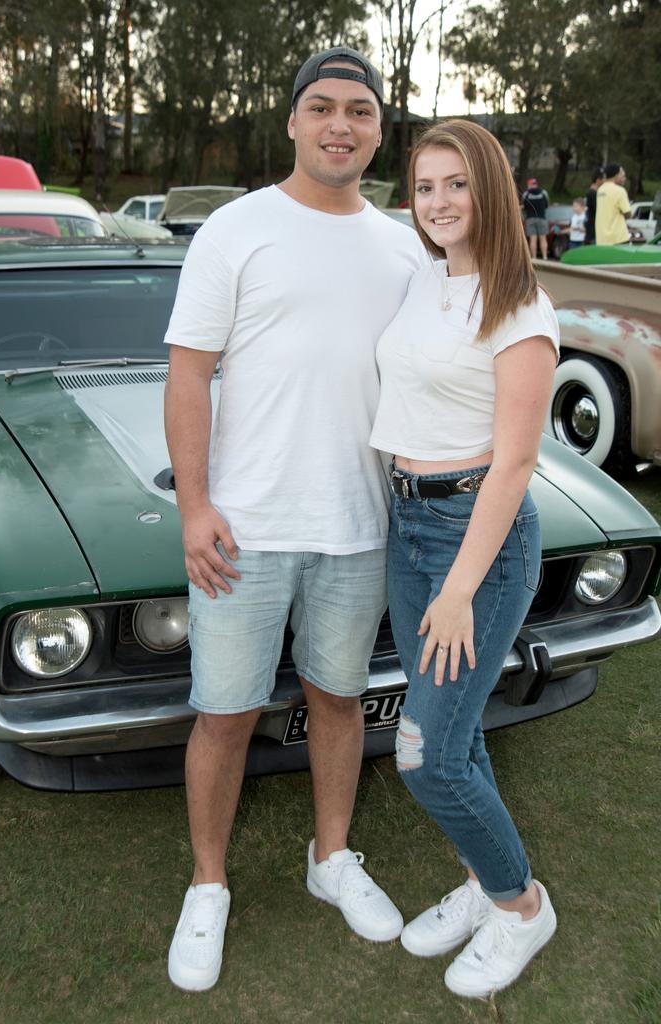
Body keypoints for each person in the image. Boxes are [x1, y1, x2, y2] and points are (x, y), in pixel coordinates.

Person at [162, 46, 427, 992]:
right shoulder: (236, 230)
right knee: (226, 715)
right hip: (246, 528)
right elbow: (188, 372)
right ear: (292, 121)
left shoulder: (405, 243)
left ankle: (332, 858)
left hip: (360, 525)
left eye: (359, 110)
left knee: (338, 702)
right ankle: (208, 885)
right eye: (322, 106)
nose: (341, 125)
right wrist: (195, 507)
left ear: (376, 131)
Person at [370, 119, 559, 999]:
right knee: (453, 732)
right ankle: (484, 883)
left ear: (489, 189)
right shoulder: (422, 279)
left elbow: (515, 462)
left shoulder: (521, 304)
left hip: (473, 539)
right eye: (425, 187)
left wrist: (458, 590)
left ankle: (521, 906)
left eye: (457, 185)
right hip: (407, 530)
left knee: (425, 754)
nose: (439, 203)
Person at [596, 163, 631, 245]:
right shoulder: (620, 190)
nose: (624, 178)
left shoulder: (600, 190)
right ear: (616, 175)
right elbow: (628, 213)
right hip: (618, 238)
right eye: (623, 176)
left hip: (602, 238)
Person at [520, 177, 549, 258]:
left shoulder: (526, 194)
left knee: (533, 239)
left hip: (530, 219)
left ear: (529, 185)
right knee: (543, 238)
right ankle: (545, 257)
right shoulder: (543, 193)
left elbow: (525, 206)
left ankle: (534, 257)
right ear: (536, 184)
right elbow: (546, 205)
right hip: (542, 218)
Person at [584, 166, 605, 244]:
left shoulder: (589, 192)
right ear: (598, 180)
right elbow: (599, 211)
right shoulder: (593, 194)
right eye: (603, 179)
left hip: (591, 231)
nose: (605, 181)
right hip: (593, 231)